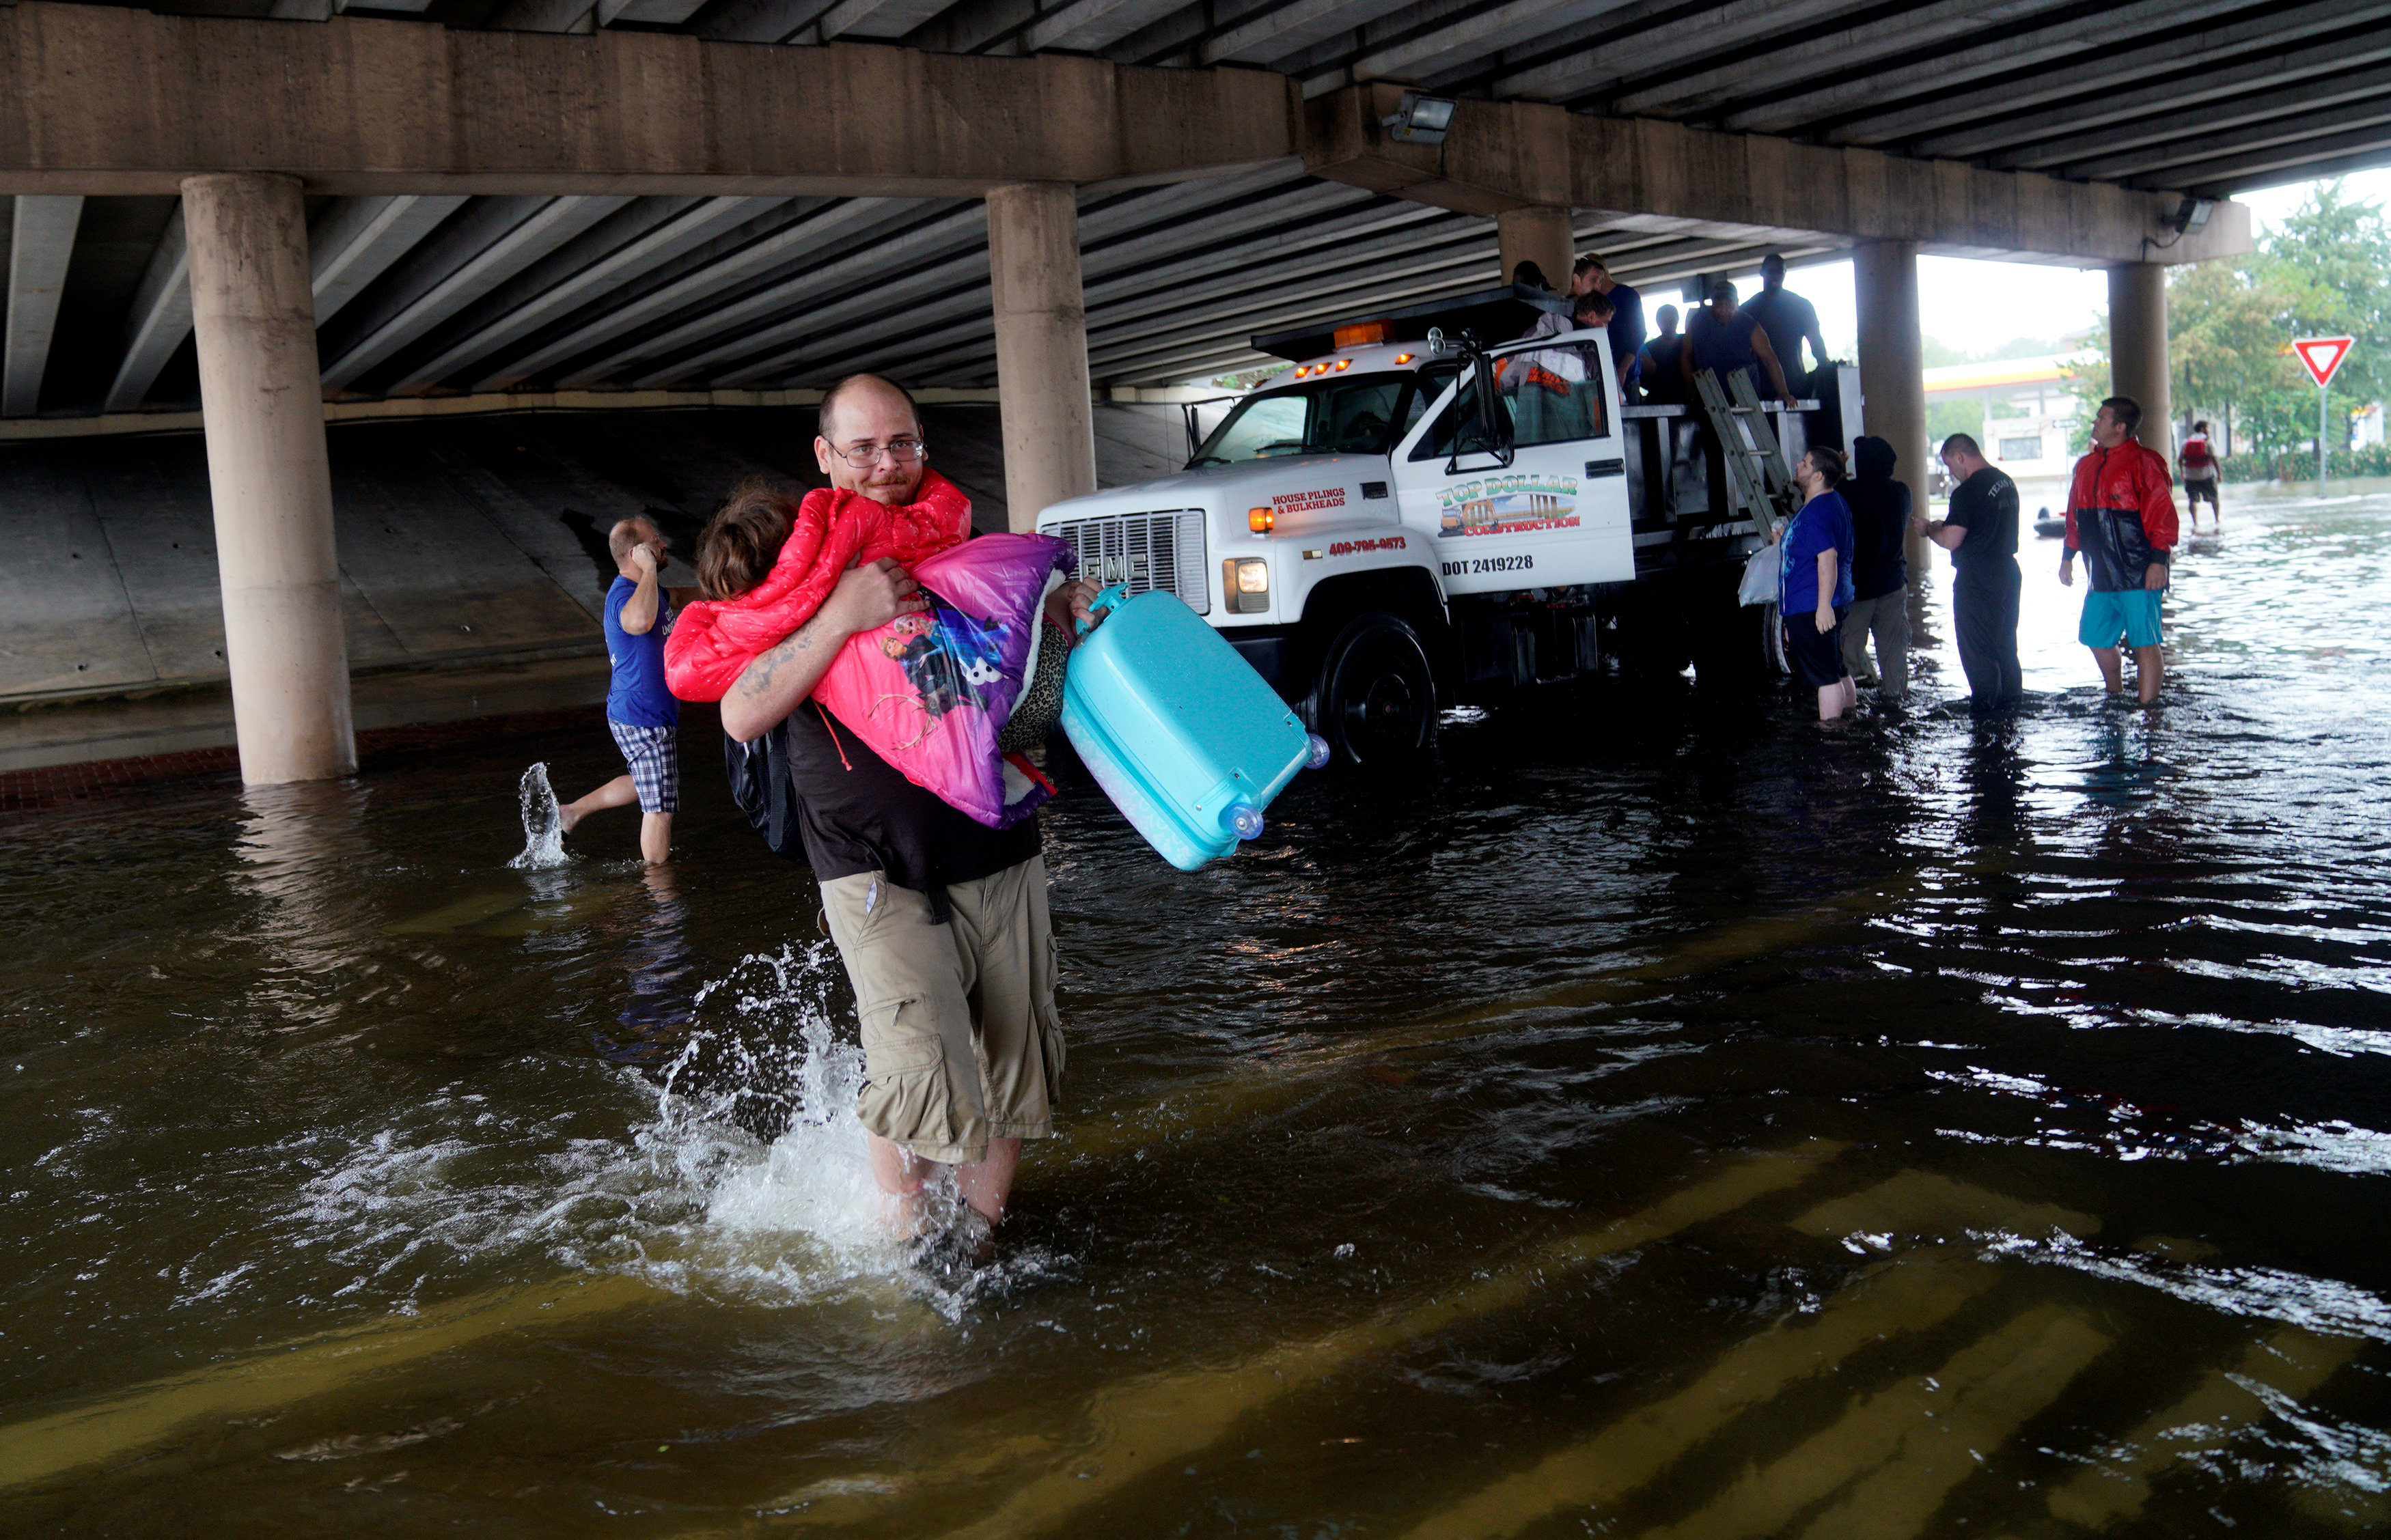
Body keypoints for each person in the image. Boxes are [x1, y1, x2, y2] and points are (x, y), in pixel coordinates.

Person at [711, 374, 1098, 1244]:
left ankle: (980, 1241)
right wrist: (842, 612)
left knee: (1015, 1058)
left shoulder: (967, 549)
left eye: (903, 444)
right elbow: (740, 710)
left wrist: (1060, 617)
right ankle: (902, 1244)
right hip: (866, 863)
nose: (887, 464)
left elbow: (1028, 694)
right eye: (864, 448)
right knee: (921, 1068)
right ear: (825, 457)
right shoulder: (796, 561)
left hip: (997, 846)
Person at [559, 516, 684, 864]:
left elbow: (676, 598)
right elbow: (639, 622)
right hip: (642, 716)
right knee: (659, 807)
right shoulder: (623, 598)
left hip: (640, 711)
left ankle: (570, 813)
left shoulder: (648, 590)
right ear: (637, 552)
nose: (663, 546)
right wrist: (649, 569)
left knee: (648, 781)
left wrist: (727, 590)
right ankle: (659, 893)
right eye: (655, 541)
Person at [2061, 396, 2176, 705]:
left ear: (2120, 426)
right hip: (2100, 573)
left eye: (2101, 418)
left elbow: (2161, 515)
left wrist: (2158, 562)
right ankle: (2115, 696)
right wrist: (2067, 557)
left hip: (2139, 571)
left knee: (2145, 642)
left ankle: (2149, 711)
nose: (2094, 423)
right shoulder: (2085, 466)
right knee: (2096, 638)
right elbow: (2074, 515)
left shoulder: (2145, 462)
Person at [1918, 433, 2023, 712]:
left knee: (1977, 649)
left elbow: (1951, 540)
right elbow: (1980, 524)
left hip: (1977, 576)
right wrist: (1946, 525)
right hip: (2008, 572)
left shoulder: (1967, 491)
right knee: (2005, 644)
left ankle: (1986, 712)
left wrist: (1928, 529)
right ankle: (2013, 706)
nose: (1951, 474)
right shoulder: (2006, 482)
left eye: (1950, 466)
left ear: (1960, 457)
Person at [1781, 445, 1857, 723]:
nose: (1799, 465)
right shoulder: (1833, 501)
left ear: (1818, 475)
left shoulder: (1815, 512)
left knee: (1824, 678)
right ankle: (1850, 722)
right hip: (1834, 599)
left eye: (1805, 463)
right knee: (1837, 668)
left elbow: (1828, 557)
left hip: (1814, 604)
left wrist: (1822, 607)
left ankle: (1831, 738)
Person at [1838, 436, 1910, 701]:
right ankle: (1895, 703)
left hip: (1858, 591)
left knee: (1849, 652)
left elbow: (1823, 504)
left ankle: (1853, 708)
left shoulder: (1846, 493)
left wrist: (1837, 475)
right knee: (1894, 654)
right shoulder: (1902, 492)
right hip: (1893, 586)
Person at [1685, 280, 1795, 406]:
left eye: (1729, 304)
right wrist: (1691, 387)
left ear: (1737, 302)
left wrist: (1784, 393)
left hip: (1746, 398)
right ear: (1712, 304)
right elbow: (1686, 356)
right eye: (1719, 305)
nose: (1724, 310)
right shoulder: (1698, 322)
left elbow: (1769, 360)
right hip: (1710, 398)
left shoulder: (1750, 325)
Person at [1739, 253, 1829, 395]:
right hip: (1760, 388)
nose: (1776, 276)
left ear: (1785, 273)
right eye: (1771, 272)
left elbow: (1816, 341)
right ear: (1762, 273)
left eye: (1780, 272)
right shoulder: (1747, 310)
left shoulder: (1801, 306)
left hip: (1794, 385)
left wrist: (1827, 368)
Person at [1571, 253, 1646, 397]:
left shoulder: (1627, 296)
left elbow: (1638, 335)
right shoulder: (1584, 300)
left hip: (1626, 375)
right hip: (1596, 375)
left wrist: (1622, 370)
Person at [1638, 304, 1687, 404]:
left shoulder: (1688, 343)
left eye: (1672, 321)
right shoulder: (1649, 348)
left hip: (1687, 399)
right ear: (1658, 322)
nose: (1668, 325)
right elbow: (1642, 379)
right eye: (1665, 322)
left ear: (1677, 320)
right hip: (1658, 401)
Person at [2180, 419, 2222, 529]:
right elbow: (2215, 458)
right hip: (2207, 475)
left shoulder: (2186, 441)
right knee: (2214, 497)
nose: (2209, 430)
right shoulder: (2209, 441)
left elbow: (2180, 459)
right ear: (2203, 429)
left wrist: (2182, 474)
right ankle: (2217, 520)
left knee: (2192, 500)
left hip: (2190, 476)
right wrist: (2219, 474)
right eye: (2208, 428)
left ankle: (2195, 523)